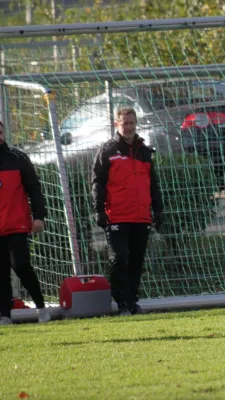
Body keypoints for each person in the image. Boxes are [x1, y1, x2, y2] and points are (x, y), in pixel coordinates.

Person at [92, 108, 163, 316]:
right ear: (117, 124)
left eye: (132, 123)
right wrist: (99, 210)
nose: (129, 127)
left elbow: (153, 183)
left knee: (137, 261)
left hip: (141, 215)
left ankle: (132, 302)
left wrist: (158, 209)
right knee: (119, 258)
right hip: (117, 215)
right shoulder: (108, 150)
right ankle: (121, 301)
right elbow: (97, 182)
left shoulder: (144, 151)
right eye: (125, 123)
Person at [0, 121, 51, 324]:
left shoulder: (18, 158)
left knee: (20, 265)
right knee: (1, 272)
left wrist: (39, 216)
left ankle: (41, 307)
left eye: (1, 130)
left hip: (17, 224)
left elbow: (34, 189)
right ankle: (4, 315)